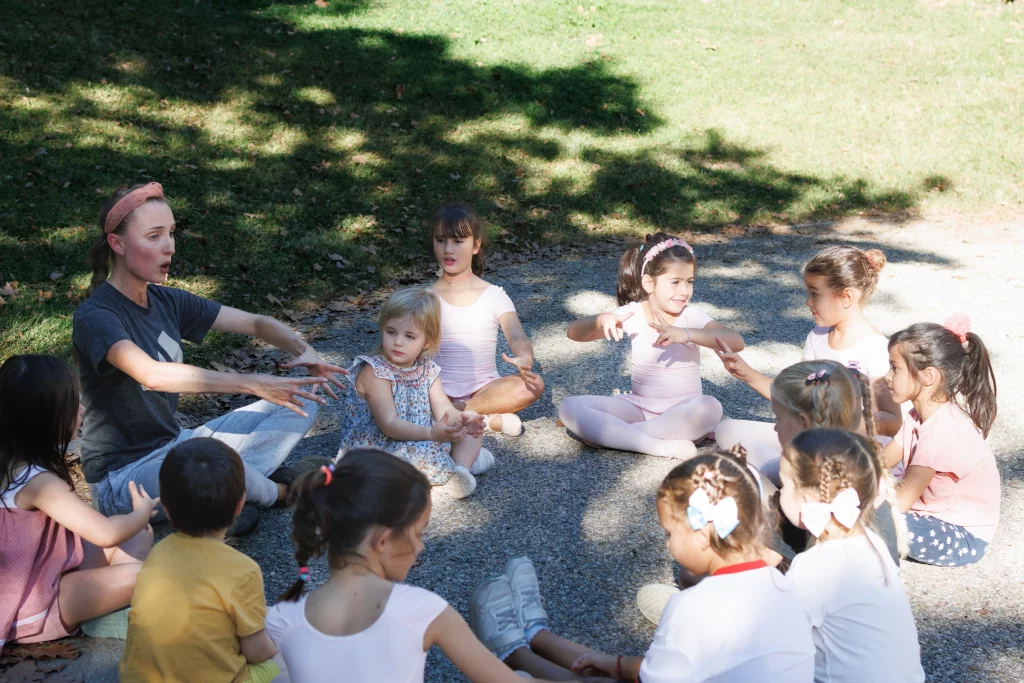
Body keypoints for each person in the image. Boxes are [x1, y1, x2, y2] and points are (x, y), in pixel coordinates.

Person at [73, 182, 347, 535]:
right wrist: (253, 383)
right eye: (154, 236)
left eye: (171, 233)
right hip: (123, 480)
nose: (169, 246)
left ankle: (227, 496)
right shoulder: (96, 316)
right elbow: (151, 375)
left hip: (180, 445)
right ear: (118, 244)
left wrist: (304, 351)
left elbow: (255, 323)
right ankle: (282, 491)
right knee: (213, 466)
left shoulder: (167, 301)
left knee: (300, 399)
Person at [470, 450, 816, 682]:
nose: (667, 544)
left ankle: (513, 654)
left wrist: (617, 669)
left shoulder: (692, 606)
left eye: (670, 533)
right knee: (613, 670)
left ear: (701, 535)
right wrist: (616, 664)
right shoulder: (788, 588)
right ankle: (536, 636)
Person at [635, 359, 905, 626]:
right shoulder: (858, 469)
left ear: (802, 422)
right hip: (856, 610)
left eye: (778, 418)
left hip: (807, 618)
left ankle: (695, 617)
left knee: (698, 571)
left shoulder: (813, 499)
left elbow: (783, 575)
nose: (775, 427)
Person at [265, 450, 558, 683]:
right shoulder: (423, 609)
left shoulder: (281, 619)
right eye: (418, 534)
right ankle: (528, 642)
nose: (420, 547)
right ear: (382, 541)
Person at [1, 355, 155, 650]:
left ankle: (106, 604)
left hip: (44, 569)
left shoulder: (12, 463)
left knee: (139, 534)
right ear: (47, 418)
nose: (82, 410)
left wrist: (135, 524)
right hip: (33, 602)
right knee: (142, 573)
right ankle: (107, 613)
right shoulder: (39, 483)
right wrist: (141, 512)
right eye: (73, 404)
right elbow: (105, 533)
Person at [715, 245, 901, 479]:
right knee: (728, 429)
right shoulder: (817, 336)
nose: (807, 302)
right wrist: (746, 373)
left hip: (854, 451)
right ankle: (783, 474)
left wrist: (838, 423)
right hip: (813, 441)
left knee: (790, 462)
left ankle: (778, 476)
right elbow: (795, 396)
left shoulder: (875, 348)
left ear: (846, 297)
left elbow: (893, 421)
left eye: (815, 293)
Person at [559, 233, 744, 459]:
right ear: (649, 283)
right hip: (639, 409)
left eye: (689, 282)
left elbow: (736, 341)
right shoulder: (633, 313)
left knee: (711, 406)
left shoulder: (691, 316)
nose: (684, 291)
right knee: (569, 407)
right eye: (675, 282)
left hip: (682, 414)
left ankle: (615, 435)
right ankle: (658, 446)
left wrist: (687, 334)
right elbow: (574, 333)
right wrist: (601, 319)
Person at [120, 439, 283, 683]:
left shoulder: (158, 553)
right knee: (291, 657)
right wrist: (280, 648)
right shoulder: (243, 571)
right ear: (240, 504)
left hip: (140, 678)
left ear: (167, 508)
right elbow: (257, 652)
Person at [780, 429, 925, 682]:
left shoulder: (813, 567)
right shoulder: (873, 542)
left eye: (784, 486)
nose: (780, 493)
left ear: (807, 499)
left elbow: (779, 641)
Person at [336, 288, 489, 499]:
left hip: (421, 437)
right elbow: (389, 424)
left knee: (471, 429)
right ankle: (451, 468)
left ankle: (460, 470)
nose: (398, 342)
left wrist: (461, 421)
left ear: (426, 342)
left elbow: (444, 410)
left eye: (410, 336)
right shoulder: (375, 372)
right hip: (381, 445)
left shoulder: (427, 369)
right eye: (391, 332)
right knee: (405, 461)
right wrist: (431, 435)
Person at [880, 315, 1000, 566]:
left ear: (928, 376)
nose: (887, 376)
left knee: (876, 519)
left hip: (962, 536)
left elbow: (900, 502)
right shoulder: (917, 416)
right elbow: (880, 463)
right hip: (927, 517)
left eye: (895, 368)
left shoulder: (942, 431)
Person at [429, 203, 544, 437]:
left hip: (484, 390)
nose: (448, 249)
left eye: (458, 241)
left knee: (533, 385)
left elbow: (516, 335)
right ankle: (485, 419)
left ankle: (457, 412)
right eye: (441, 240)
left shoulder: (493, 295)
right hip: (435, 389)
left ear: (475, 246)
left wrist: (524, 357)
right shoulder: (425, 298)